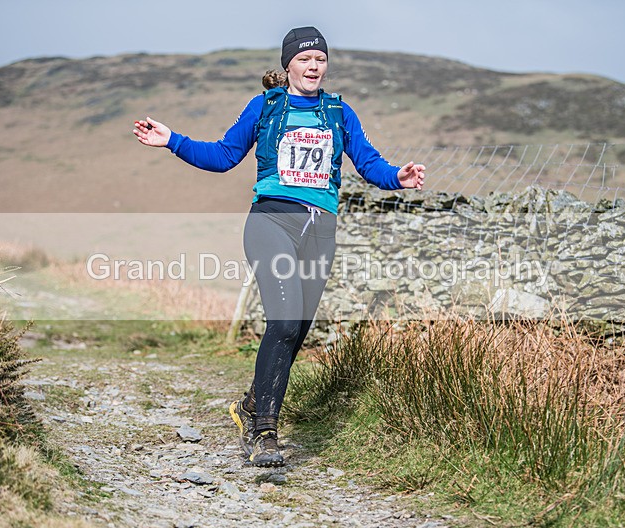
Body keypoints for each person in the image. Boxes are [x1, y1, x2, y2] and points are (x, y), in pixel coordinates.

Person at [133, 26, 425, 467]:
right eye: (305, 59)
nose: (314, 66)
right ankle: (264, 432)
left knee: (296, 331)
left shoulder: (340, 112)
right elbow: (223, 155)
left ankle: (251, 405)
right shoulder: (265, 107)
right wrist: (172, 139)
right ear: (288, 64)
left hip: (320, 230)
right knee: (285, 319)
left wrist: (396, 178)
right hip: (271, 221)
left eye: (320, 60)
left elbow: (368, 161)